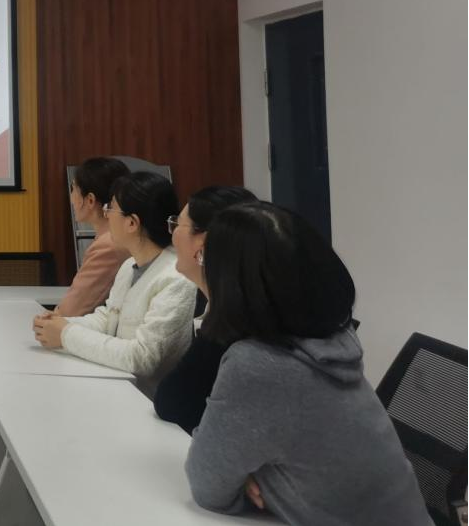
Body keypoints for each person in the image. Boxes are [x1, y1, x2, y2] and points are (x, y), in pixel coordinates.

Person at [186, 202, 431, 526]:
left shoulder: (258, 365)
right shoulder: (332, 338)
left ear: (232, 283)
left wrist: (251, 479)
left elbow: (207, 483)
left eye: (205, 260)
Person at [32, 171, 195, 394]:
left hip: (148, 400)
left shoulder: (175, 279)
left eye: (111, 208)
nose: (106, 214)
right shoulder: (129, 266)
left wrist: (66, 334)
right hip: (117, 386)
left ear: (132, 222)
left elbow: (142, 358)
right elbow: (109, 318)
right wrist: (60, 324)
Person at [152, 185, 257, 433]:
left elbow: (175, 403)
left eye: (177, 224)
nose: (172, 235)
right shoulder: (218, 302)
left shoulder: (236, 322)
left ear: (203, 243)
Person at [56, 157, 131, 316]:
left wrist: (52, 318)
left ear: (90, 200)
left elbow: (71, 311)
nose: (71, 198)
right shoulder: (116, 237)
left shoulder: (108, 245)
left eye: (73, 189)